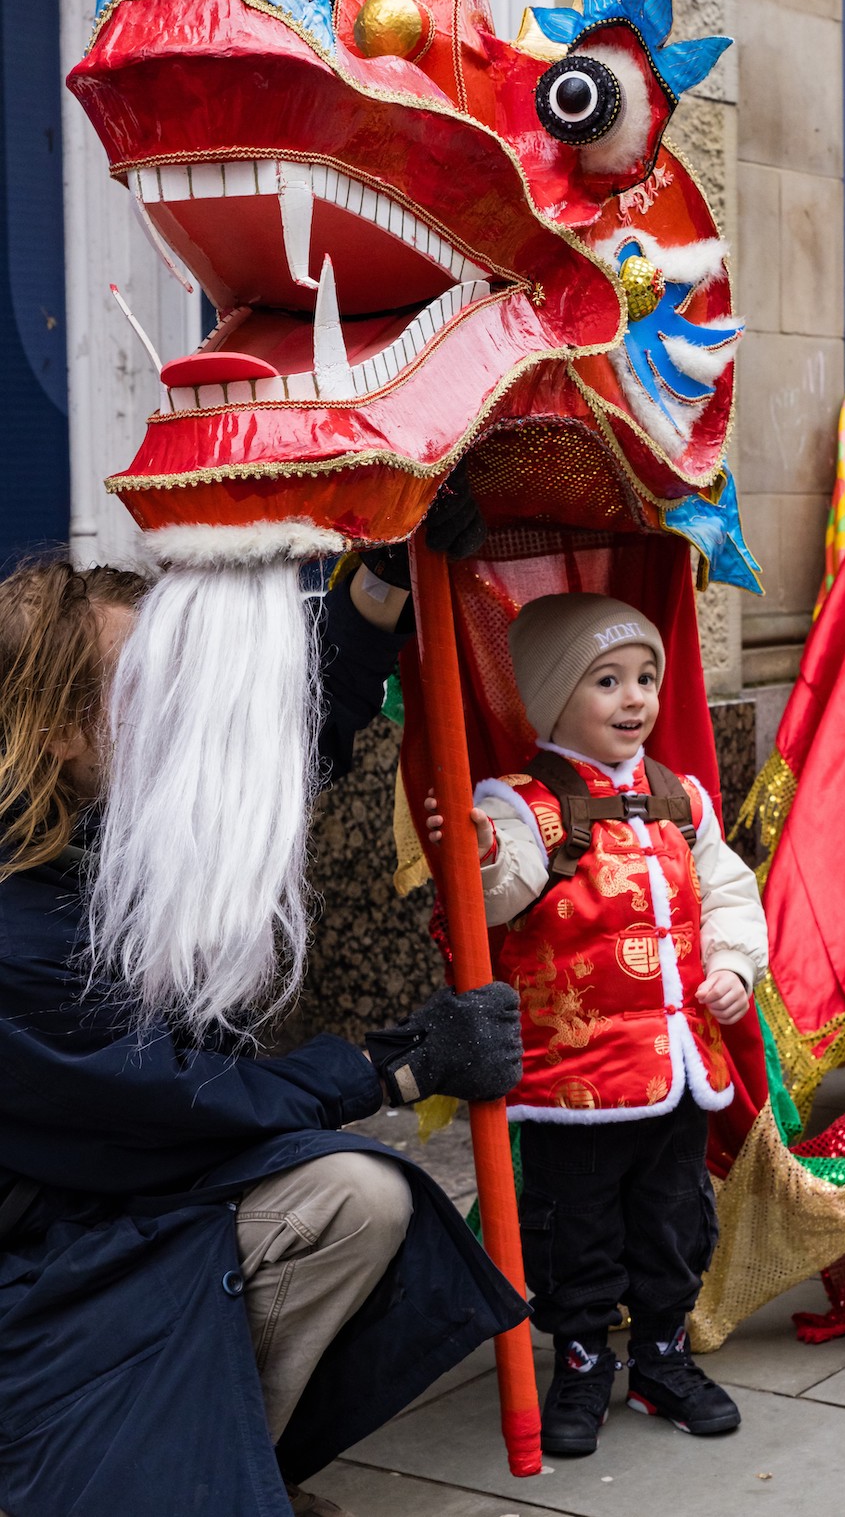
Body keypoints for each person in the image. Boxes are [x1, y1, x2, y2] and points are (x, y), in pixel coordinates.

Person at [0, 551, 524, 1517]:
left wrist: (381, 584)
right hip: (42, 1283)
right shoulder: (16, 925)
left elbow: (272, 754)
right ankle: (188, 1480)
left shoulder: (97, 814)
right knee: (350, 1190)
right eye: (153, 679)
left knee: (354, 1198)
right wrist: (386, 1068)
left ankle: (230, 1458)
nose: (186, 702)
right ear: (67, 726)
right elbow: (182, 1098)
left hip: (121, 1206)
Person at [426, 592, 767, 1457]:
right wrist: (477, 851)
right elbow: (494, 897)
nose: (636, 698)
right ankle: (580, 1359)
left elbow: (726, 888)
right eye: (606, 679)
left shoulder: (680, 797)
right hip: (574, 1078)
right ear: (547, 695)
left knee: (671, 1221)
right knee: (577, 1228)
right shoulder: (522, 804)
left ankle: (660, 1354)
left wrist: (731, 965)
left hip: (677, 1062)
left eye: (646, 677)